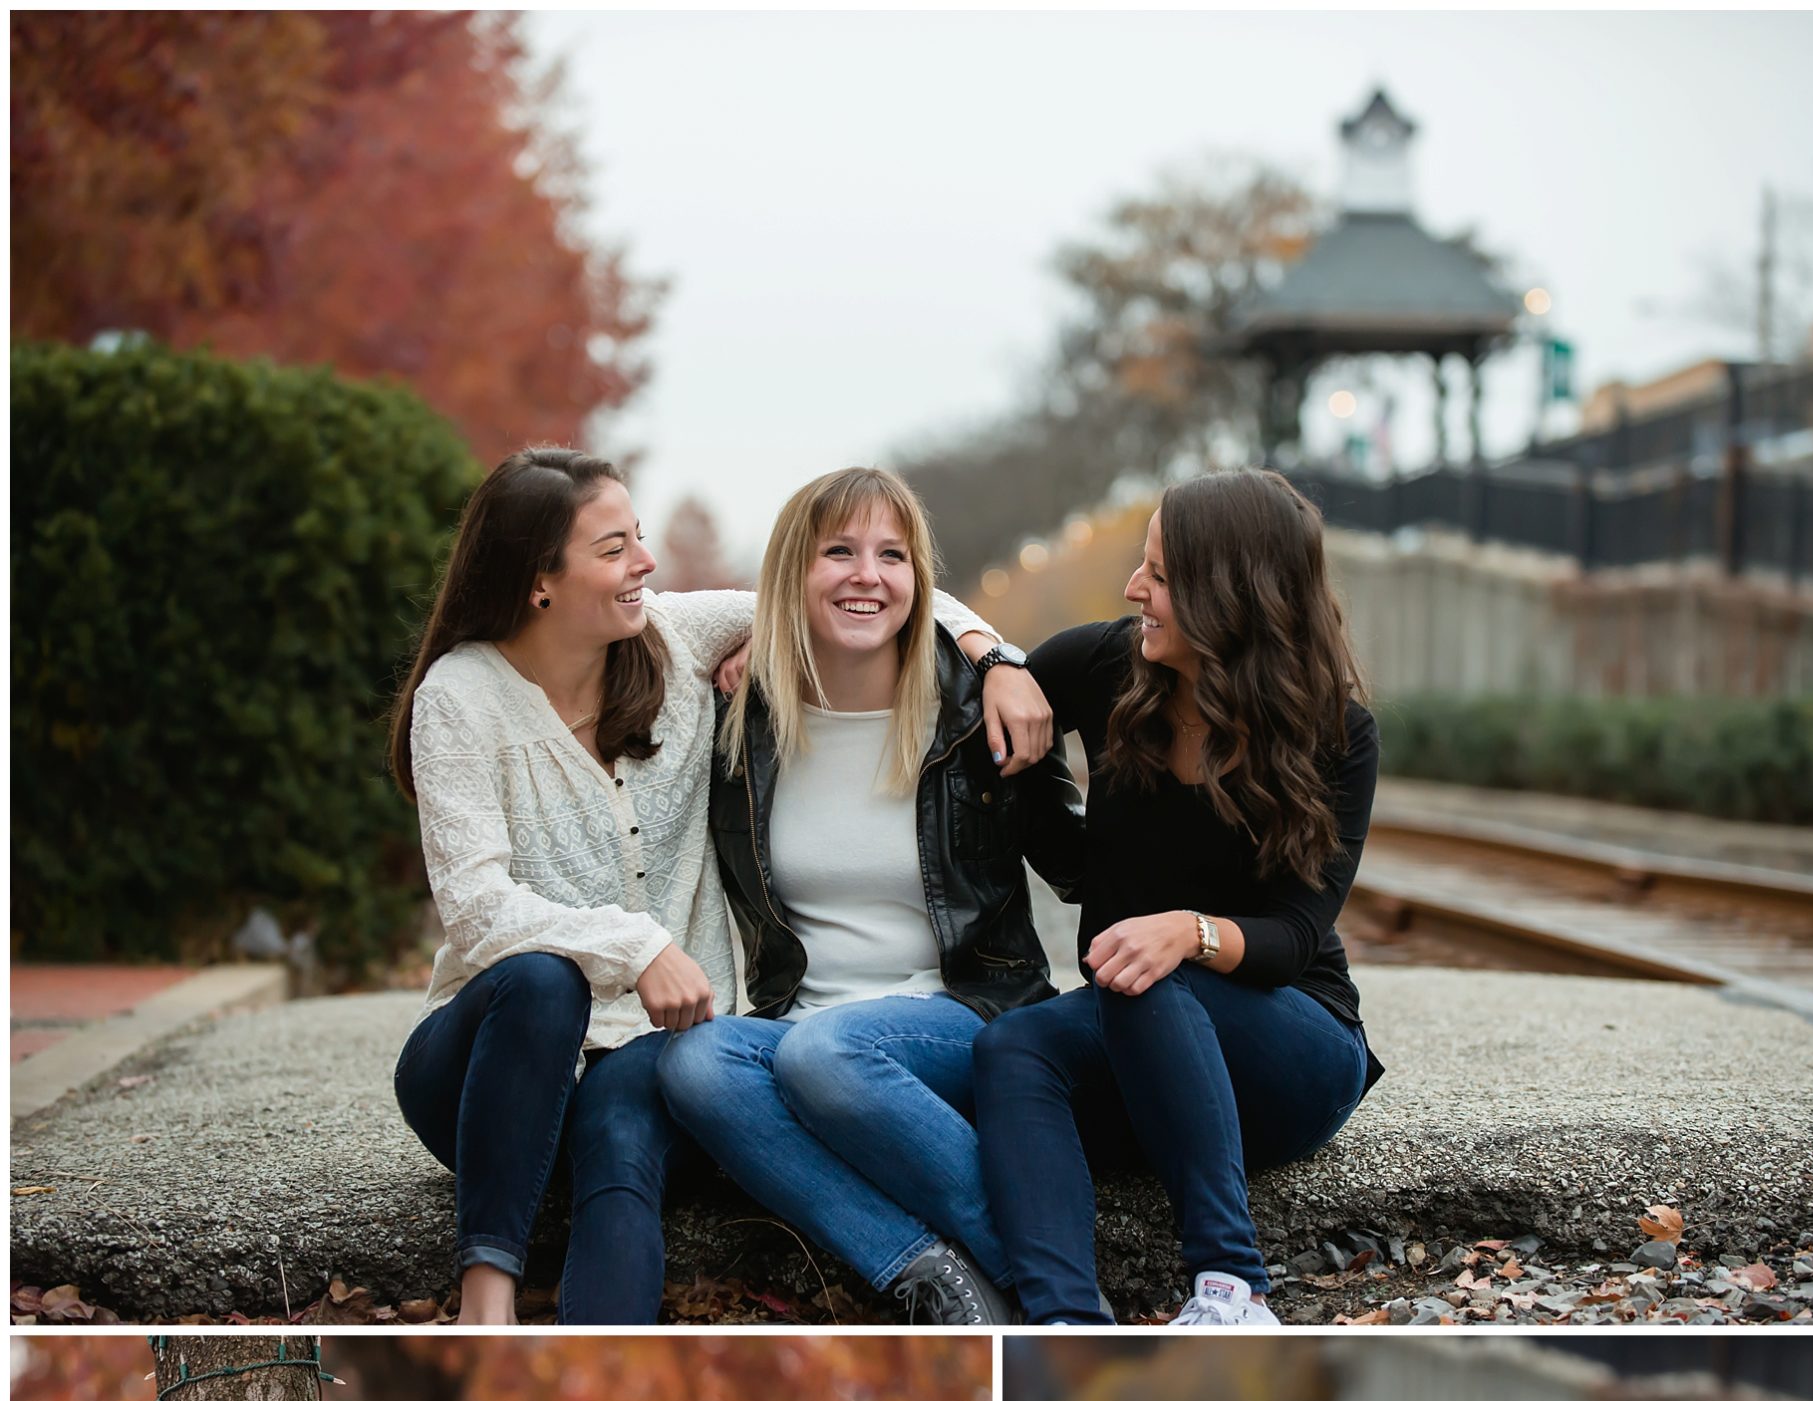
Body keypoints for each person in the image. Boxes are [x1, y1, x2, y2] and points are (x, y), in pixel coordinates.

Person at [386, 447, 1032, 1323]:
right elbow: (474, 907)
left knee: (621, 1138)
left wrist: (997, 660)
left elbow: (884, 595)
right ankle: (486, 1306)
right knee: (544, 978)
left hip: (658, 1042)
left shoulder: (674, 636)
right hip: (484, 1064)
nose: (644, 565)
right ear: (539, 578)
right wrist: (639, 944)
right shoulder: (460, 698)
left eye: (639, 539)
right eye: (614, 549)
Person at [656, 465, 1080, 1325]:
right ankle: (934, 1279)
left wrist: (1000, 659)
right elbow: (639, 629)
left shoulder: (974, 713)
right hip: (798, 1023)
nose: (867, 575)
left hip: (965, 1013)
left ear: (919, 580)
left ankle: (1040, 1278)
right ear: (791, 578)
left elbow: (1083, 866)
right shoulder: (742, 723)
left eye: (893, 556)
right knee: (697, 1062)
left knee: (829, 1052)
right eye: (838, 552)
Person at [971, 468, 1385, 1326]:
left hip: (1292, 1049)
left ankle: (1231, 1289)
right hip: (1142, 1042)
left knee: (1145, 977)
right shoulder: (1106, 667)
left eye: (1156, 575)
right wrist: (995, 662)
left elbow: (1298, 936)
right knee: (1013, 1049)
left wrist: (1189, 933)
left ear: (1226, 592)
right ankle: (1062, 1318)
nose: (1133, 590)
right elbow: (954, 674)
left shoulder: (1334, 732)